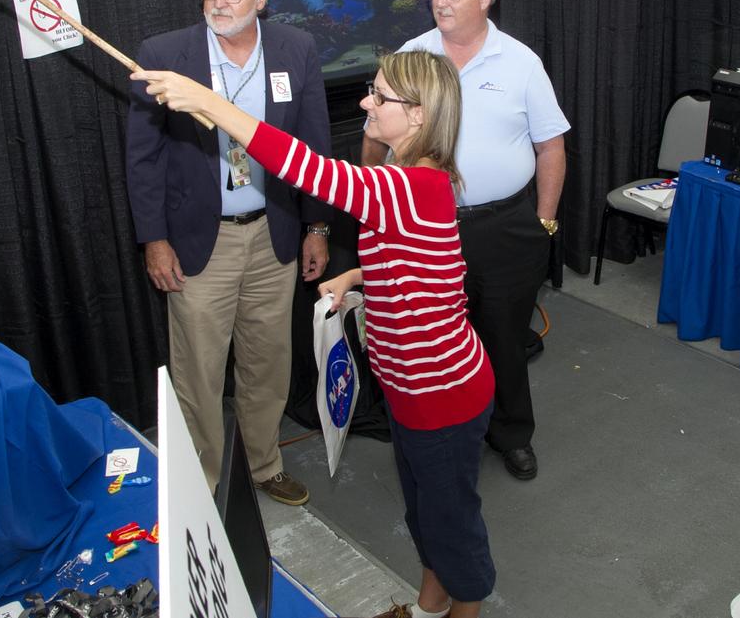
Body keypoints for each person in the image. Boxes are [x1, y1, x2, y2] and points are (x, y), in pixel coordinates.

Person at [133, 50, 497, 618]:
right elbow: (423, 265)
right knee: (423, 511)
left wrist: (207, 102)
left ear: (421, 115)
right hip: (410, 392)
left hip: (442, 396)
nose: (365, 103)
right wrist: (356, 275)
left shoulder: (411, 189)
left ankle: (464, 610)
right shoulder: (407, 184)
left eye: (380, 97)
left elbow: (304, 167)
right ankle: (431, 604)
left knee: (452, 522)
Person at [124, 0, 331, 505]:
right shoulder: (164, 57)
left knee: (268, 360)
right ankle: (205, 485)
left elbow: (313, 143)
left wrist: (317, 226)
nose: (218, 3)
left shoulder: (296, 49)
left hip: (275, 234)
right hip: (197, 244)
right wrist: (153, 239)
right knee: (199, 372)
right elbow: (142, 160)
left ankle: (264, 465)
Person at [363, 0, 568, 480]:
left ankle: (511, 434)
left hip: (504, 228)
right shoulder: (412, 56)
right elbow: (375, 140)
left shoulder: (521, 62)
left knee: (502, 335)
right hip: (427, 229)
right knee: (433, 339)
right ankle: (443, 433)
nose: (439, 2)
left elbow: (551, 147)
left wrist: (544, 223)